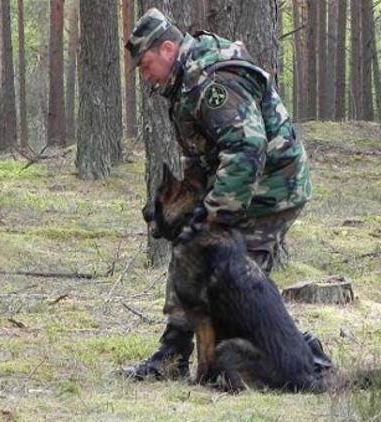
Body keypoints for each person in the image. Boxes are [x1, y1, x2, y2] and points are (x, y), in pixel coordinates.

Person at [121, 8, 313, 380]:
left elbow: (247, 147)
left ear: (167, 49)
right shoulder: (183, 82)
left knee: (238, 291)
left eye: (146, 66)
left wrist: (216, 213)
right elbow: (203, 154)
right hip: (241, 183)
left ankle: (303, 363)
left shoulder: (211, 81)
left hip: (270, 189)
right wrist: (193, 213)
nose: (145, 77)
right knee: (190, 251)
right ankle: (172, 356)